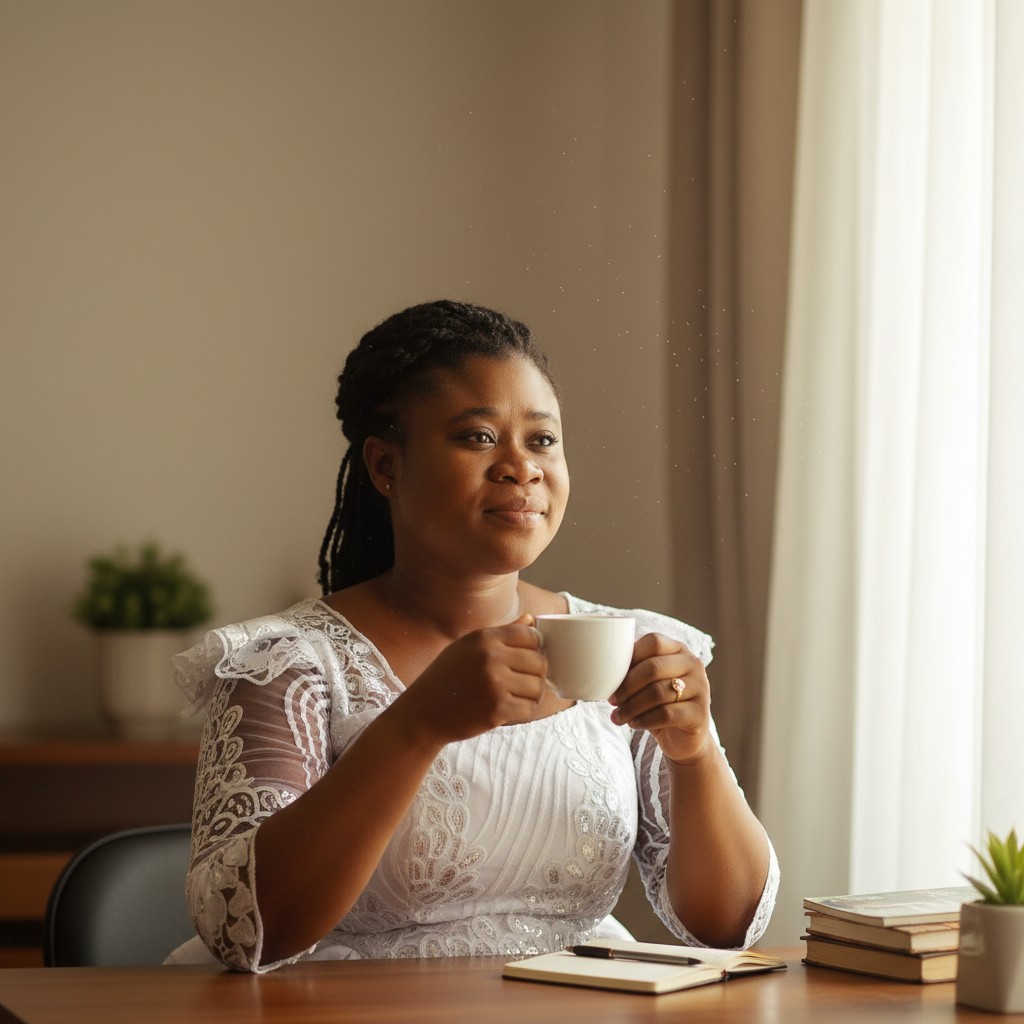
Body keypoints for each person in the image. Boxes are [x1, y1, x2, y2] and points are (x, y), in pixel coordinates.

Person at [168, 299, 779, 973]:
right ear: (385, 466)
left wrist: (692, 753)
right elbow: (245, 932)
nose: (521, 467)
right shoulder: (287, 662)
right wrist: (418, 723)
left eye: (542, 440)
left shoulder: (629, 648)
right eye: (478, 438)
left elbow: (727, 929)